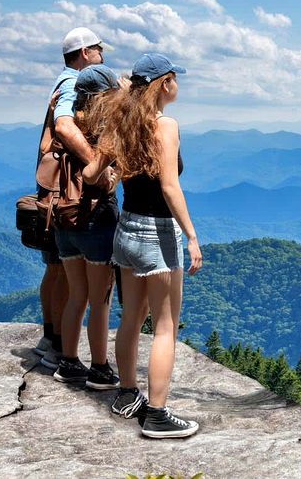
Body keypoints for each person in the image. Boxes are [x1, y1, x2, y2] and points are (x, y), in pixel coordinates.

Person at [87, 52, 203, 439]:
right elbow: (169, 185)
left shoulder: (119, 122)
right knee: (165, 326)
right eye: (175, 79)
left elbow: (90, 173)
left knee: (131, 318)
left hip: (127, 229)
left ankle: (126, 394)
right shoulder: (165, 125)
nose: (178, 86)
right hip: (159, 234)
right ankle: (156, 415)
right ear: (164, 83)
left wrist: (115, 171)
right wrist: (191, 235)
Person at [33, 26, 107, 369]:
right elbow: (64, 126)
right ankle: (61, 347)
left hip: (53, 190)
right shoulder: (73, 84)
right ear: (83, 53)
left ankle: (51, 338)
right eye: (97, 49)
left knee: (56, 266)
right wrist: (96, 163)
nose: (102, 55)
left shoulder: (60, 81)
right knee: (67, 272)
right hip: (72, 194)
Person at [51, 63, 122, 390]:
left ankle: (67, 362)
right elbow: (107, 179)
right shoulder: (102, 129)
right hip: (97, 220)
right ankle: (99, 368)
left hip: (65, 218)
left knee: (76, 295)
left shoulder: (67, 128)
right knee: (100, 300)